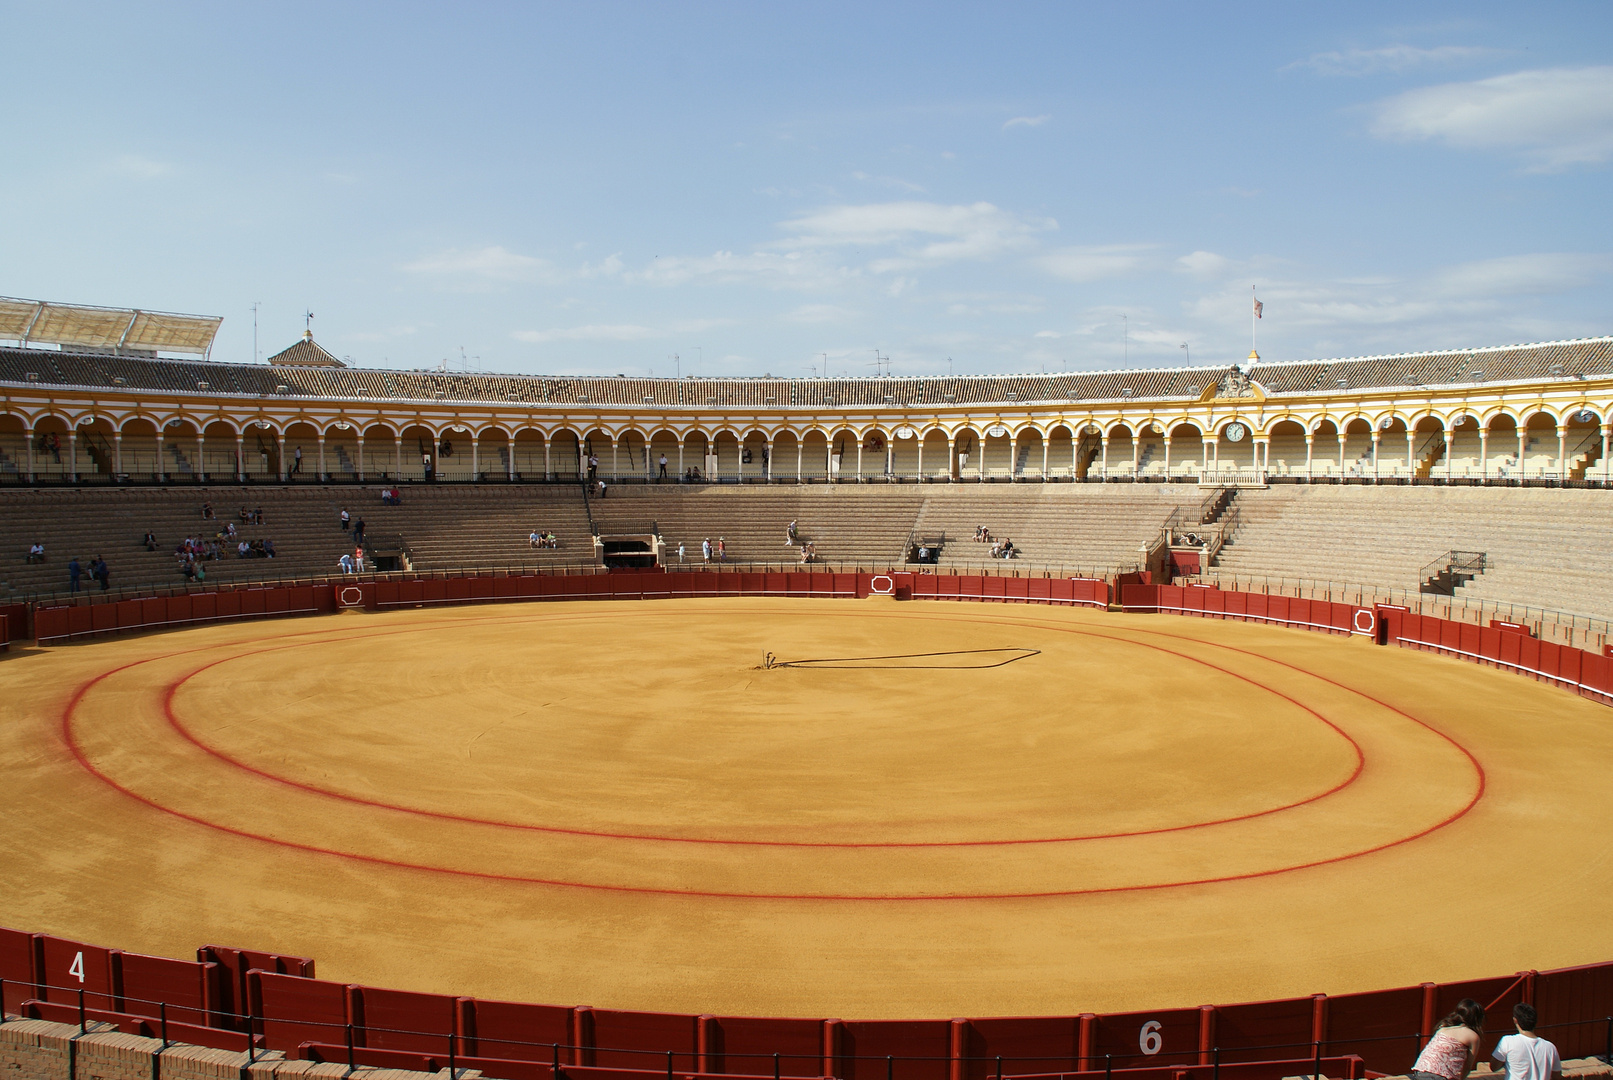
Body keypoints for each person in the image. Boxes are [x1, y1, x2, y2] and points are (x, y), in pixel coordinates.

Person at [1410, 999, 1484, 1080]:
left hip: (1421, 1069)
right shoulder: (1472, 1036)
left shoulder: (1443, 1027)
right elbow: (1468, 1066)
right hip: (1441, 1074)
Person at [1491, 1004, 1561, 1080]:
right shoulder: (1550, 1047)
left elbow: (1493, 1067)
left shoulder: (1507, 1041)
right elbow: (1556, 1076)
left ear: (1515, 1020)